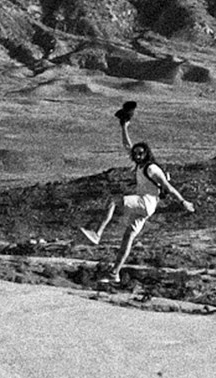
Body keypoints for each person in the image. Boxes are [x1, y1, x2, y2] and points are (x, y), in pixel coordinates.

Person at [80, 99, 194, 282]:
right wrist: (124, 126)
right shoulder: (141, 165)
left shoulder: (151, 169)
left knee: (113, 201)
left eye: (140, 153)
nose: (137, 155)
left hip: (146, 202)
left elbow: (168, 187)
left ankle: (97, 233)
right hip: (147, 208)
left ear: (147, 154)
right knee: (128, 237)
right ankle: (114, 273)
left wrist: (183, 202)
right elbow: (128, 145)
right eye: (136, 153)